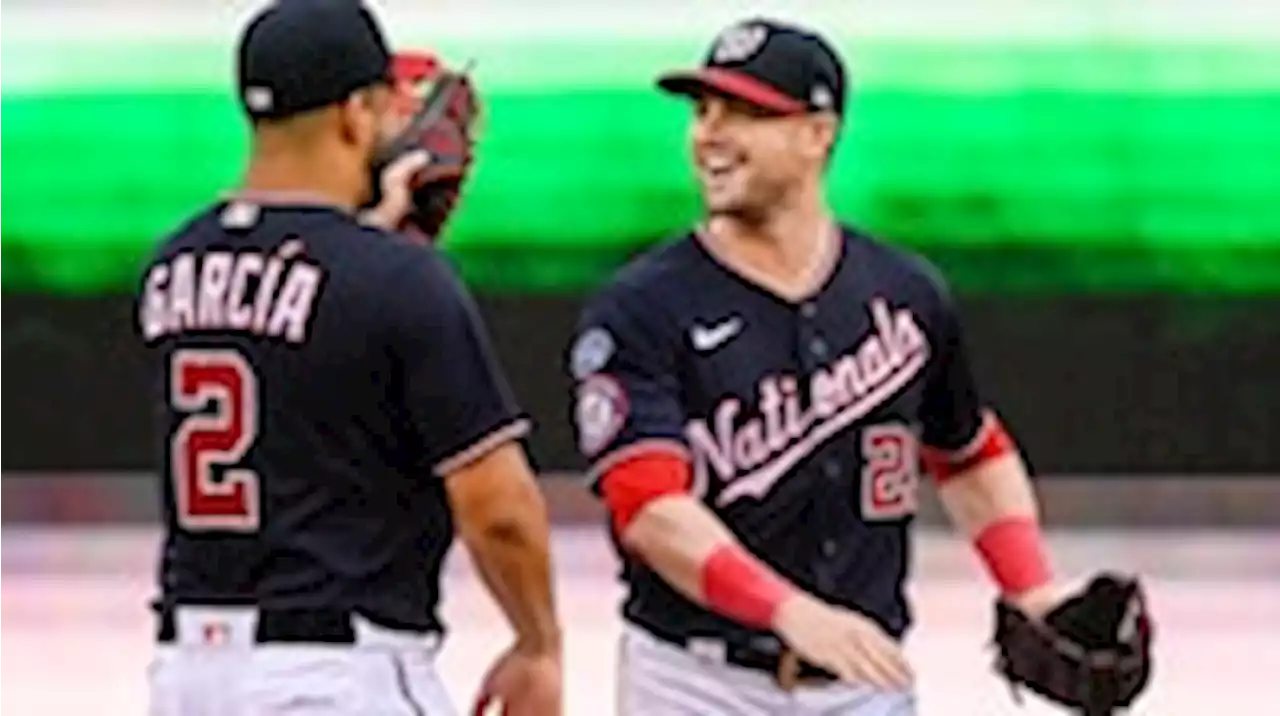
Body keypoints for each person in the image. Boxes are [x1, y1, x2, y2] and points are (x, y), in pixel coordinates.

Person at [568, 18, 1069, 715]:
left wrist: (1031, 588)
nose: (709, 134)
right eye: (703, 110)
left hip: (863, 681)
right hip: (696, 685)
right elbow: (649, 509)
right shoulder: (642, 307)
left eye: (743, 112)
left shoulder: (905, 293)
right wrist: (786, 610)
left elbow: (969, 452)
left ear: (817, 133)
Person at [135, 3, 561, 714]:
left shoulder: (171, 265)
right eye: (388, 103)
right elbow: (499, 512)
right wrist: (538, 645)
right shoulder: (399, 280)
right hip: (336, 671)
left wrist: (372, 240)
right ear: (353, 113)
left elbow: (291, 342)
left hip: (189, 671)